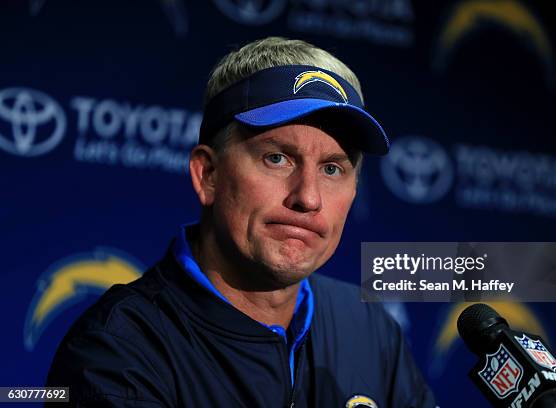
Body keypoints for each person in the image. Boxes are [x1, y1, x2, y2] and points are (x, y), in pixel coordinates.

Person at [46, 37, 436, 408]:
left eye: (332, 169)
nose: (308, 197)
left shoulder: (368, 328)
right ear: (208, 175)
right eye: (277, 158)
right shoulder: (117, 349)